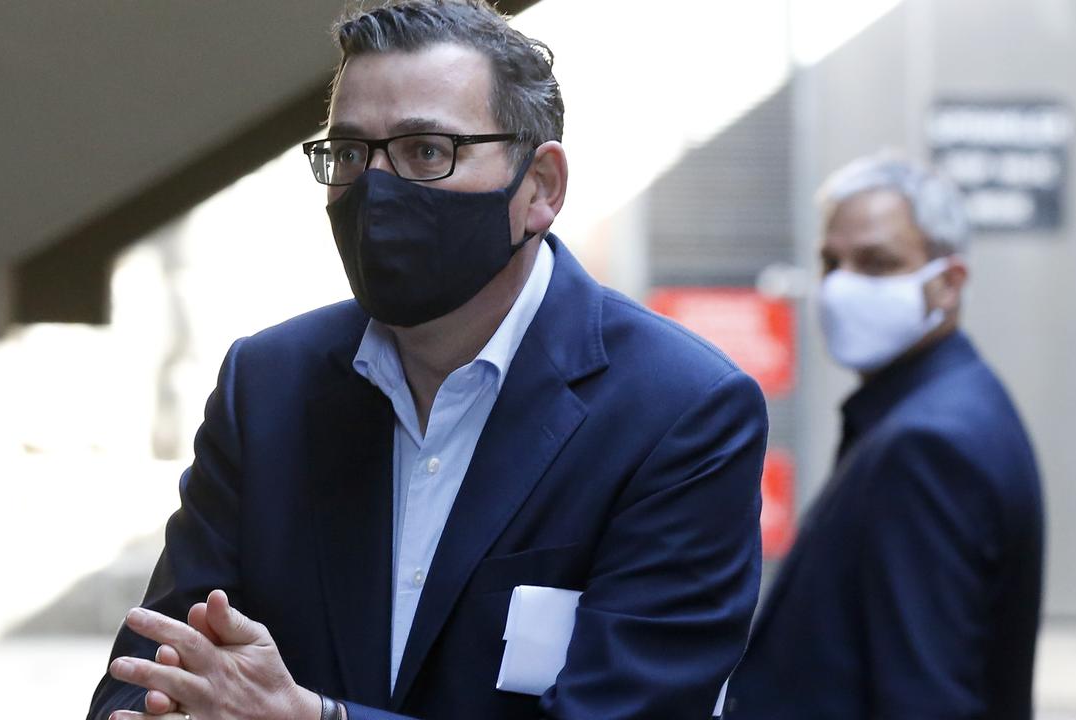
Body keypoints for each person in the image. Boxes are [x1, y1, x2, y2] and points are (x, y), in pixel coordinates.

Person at [87, 2, 768, 719]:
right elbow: (150, 669)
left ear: (540, 188)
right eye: (350, 154)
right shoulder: (269, 384)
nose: (376, 189)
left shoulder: (680, 411)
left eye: (426, 152)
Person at [724, 155, 1044, 719]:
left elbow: (925, 697)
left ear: (948, 283)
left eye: (876, 263)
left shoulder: (927, 447)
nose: (842, 287)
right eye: (831, 262)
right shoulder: (940, 406)